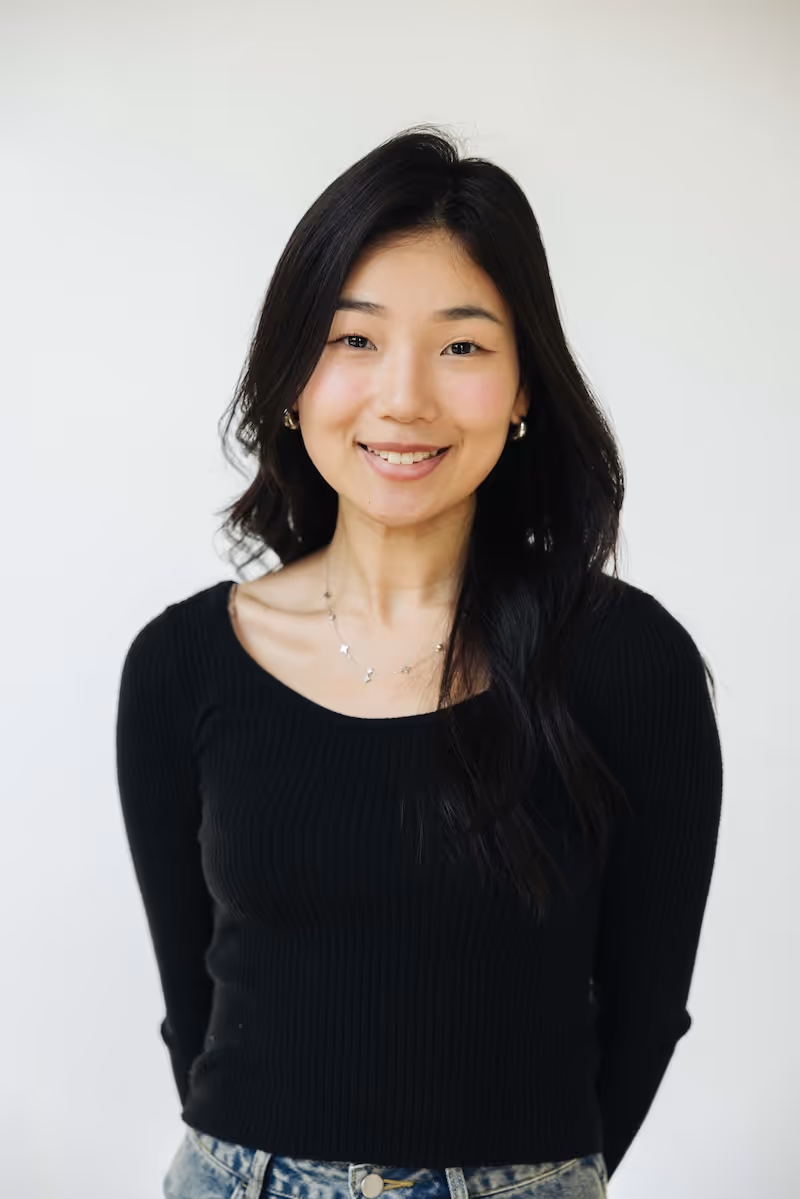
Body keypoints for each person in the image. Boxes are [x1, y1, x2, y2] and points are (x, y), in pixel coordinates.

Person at [115, 125, 723, 1199]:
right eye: (353, 340)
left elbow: (642, 1009)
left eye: (460, 345)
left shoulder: (629, 664)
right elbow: (194, 1010)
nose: (402, 398)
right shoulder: (180, 667)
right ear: (292, 374)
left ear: (524, 384)